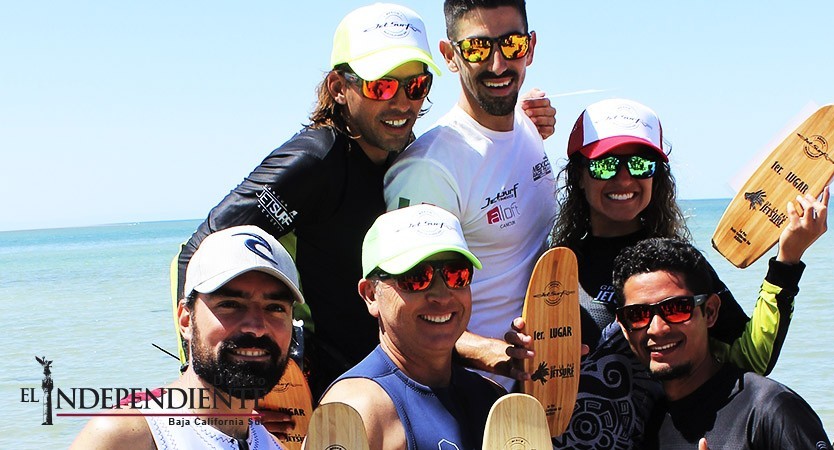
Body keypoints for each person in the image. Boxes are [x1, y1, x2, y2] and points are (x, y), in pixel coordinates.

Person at [173, 2, 555, 401]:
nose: (402, 103)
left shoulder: (399, 150)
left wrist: (523, 125)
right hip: (324, 387)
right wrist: (204, 379)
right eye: (380, 86)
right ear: (340, 88)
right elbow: (201, 251)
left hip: (388, 381)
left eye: (416, 86)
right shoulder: (314, 161)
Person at [508, 98, 830, 448]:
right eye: (605, 165)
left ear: (657, 177)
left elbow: (750, 356)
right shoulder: (555, 266)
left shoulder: (675, 267)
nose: (624, 177)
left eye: (641, 164)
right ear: (579, 176)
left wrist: (787, 260)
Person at [383, 0, 557, 390]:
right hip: (469, 394)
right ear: (449, 56)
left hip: (542, 386)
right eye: (478, 48)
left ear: (530, 47)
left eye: (510, 44)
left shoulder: (527, 129)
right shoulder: (430, 168)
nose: (498, 64)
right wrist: (491, 353)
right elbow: (401, 309)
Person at [71, 225, 303, 449]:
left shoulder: (270, 444)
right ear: (185, 320)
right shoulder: (129, 437)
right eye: (230, 305)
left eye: (275, 308)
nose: (256, 327)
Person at [612, 237, 832, 449]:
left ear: (710, 312)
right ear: (623, 326)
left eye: (677, 308)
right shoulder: (648, 424)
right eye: (637, 314)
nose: (657, 328)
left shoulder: (769, 410)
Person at [318, 204, 505, 449]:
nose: (441, 295)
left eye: (456, 274)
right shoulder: (354, 409)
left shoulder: (493, 399)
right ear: (371, 295)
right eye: (416, 277)